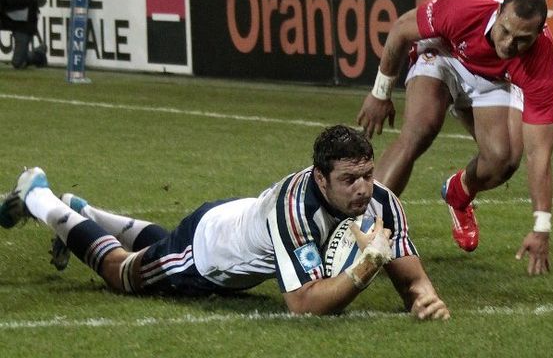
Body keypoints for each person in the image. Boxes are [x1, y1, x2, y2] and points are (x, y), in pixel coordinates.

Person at [0, 125, 450, 320]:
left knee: (158, 245)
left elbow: (413, 278)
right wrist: (363, 269)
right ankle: (39, 196)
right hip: (207, 252)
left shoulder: (383, 203)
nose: (363, 188)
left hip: (231, 223)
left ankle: (85, 212)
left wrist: (425, 299)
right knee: (124, 274)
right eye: (349, 179)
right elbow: (304, 304)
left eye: (368, 175)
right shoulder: (295, 209)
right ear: (320, 178)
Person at [357, 0, 553, 276]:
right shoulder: (468, 7)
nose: (508, 44)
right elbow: (401, 28)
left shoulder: (541, 60)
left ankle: (458, 192)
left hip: (493, 79)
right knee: (420, 130)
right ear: (499, 12)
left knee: (504, 161)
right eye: (505, 31)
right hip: (444, 54)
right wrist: (381, 91)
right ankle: (363, 229)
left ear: (539, 34)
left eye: (522, 39)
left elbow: (539, 152)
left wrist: (541, 227)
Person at [0, 0, 47, 69]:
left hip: (23, 20)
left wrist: (4, 0)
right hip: (3, 13)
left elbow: (25, 0)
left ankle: (38, 55)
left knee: (18, 63)